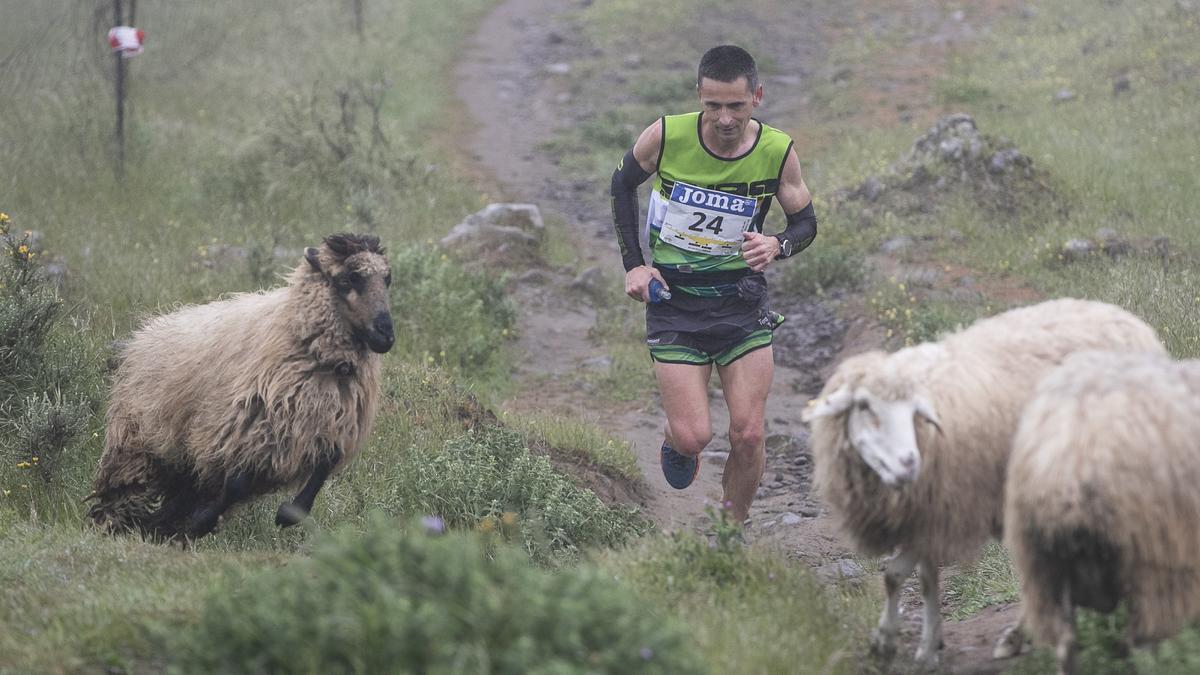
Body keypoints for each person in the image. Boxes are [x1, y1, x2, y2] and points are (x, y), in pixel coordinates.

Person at [609, 45, 817, 525]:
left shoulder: (777, 151)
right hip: (674, 303)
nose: (725, 118)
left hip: (741, 304)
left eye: (737, 107)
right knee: (694, 437)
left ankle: (731, 531)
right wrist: (635, 266)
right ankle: (675, 438)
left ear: (757, 97)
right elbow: (621, 185)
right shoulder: (666, 135)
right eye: (714, 106)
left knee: (748, 434)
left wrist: (778, 246)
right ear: (699, 96)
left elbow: (805, 223)